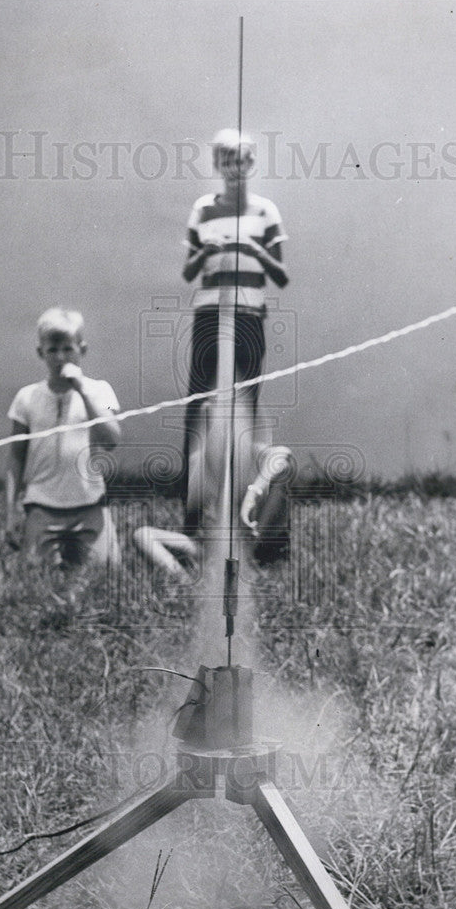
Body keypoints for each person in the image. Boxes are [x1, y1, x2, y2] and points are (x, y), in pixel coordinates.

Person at [180, 129, 288, 534]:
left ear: (251, 164)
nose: (234, 168)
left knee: (244, 409)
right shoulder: (203, 209)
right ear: (217, 166)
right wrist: (206, 252)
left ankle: (241, 510)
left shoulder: (265, 211)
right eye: (226, 161)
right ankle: (192, 514)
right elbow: (188, 271)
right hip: (209, 316)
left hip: (248, 317)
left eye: (241, 160)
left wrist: (254, 251)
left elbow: (281, 275)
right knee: (199, 408)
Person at [5, 308, 121, 568]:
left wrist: (82, 389)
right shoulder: (27, 397)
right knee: (34, 571)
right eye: (52, 350)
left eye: (68, 349)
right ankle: (40, 539)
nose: (60, 358)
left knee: (105, 570)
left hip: (89, 503)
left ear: (82, 349)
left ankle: (95, 541)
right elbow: (15, 457)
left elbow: (111, 439)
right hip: (43, 506)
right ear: (40, 353)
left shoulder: (99, 390)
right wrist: (11, 511)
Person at [134, 440, 294, 582]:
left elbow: (282, 454)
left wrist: (252, 495)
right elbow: (195, 524)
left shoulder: (251, 452)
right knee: (142, 534)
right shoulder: (202, 464)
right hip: (209, 548)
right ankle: (182, 579)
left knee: (282, 475)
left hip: (250, 546)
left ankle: (248, 568)